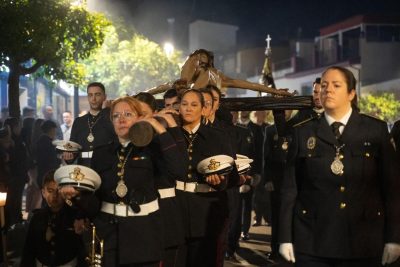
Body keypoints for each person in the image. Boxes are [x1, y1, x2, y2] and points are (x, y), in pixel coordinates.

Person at [279, 66, 400, 266]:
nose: (328, 90)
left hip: (363, 240)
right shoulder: (303, 133)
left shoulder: (374, 131)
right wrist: (285, 237)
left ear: (351, 93)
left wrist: (394, 238)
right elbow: (290, 189)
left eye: (336, 85)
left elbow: (392, 189)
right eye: (324, 86)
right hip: (313, 240)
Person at [60, 96, 185, 267]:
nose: (122, 119)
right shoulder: (102, 153)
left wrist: (159, 128)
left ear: (139, 118)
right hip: (109, 235)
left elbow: (179, 170)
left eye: (128, 114)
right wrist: (77, 197)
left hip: (144, 234)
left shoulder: (152, 149)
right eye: (116, 116)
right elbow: (96, 198)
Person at [175, 89, 239, 267]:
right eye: (184, 104)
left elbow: (232, 177)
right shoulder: (171, 137)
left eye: (194, 105)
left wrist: (220, 182)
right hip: (176, 210)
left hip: (205, 212)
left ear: (204, 109)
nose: (188, 109)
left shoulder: (217, 137)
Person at [134, 92, 186, 267]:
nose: (140, 119)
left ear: (155, 113)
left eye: (144, 114)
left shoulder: (164, 138)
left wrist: (165, 127)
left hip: (165, 213)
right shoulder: (130, 142)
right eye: (136, 114)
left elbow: (180, 169)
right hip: (138, 216)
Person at [20, 169, 87, 267]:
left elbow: (82, 250)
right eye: (50, 191)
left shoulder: (76, 216)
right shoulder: (37, 217)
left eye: (59, 191)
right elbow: (29, 251)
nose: (55, 196)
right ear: (43, 192)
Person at [68, 82, 117, 167]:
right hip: (83, 170)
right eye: (90, 95)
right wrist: (69, 157)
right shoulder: (79, 122)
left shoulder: (111, 119)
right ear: (88, 97)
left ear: (104, 97)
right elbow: (73, 148)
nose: (93, 99)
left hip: (106, 169)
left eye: (97, 95)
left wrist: (106, 110)